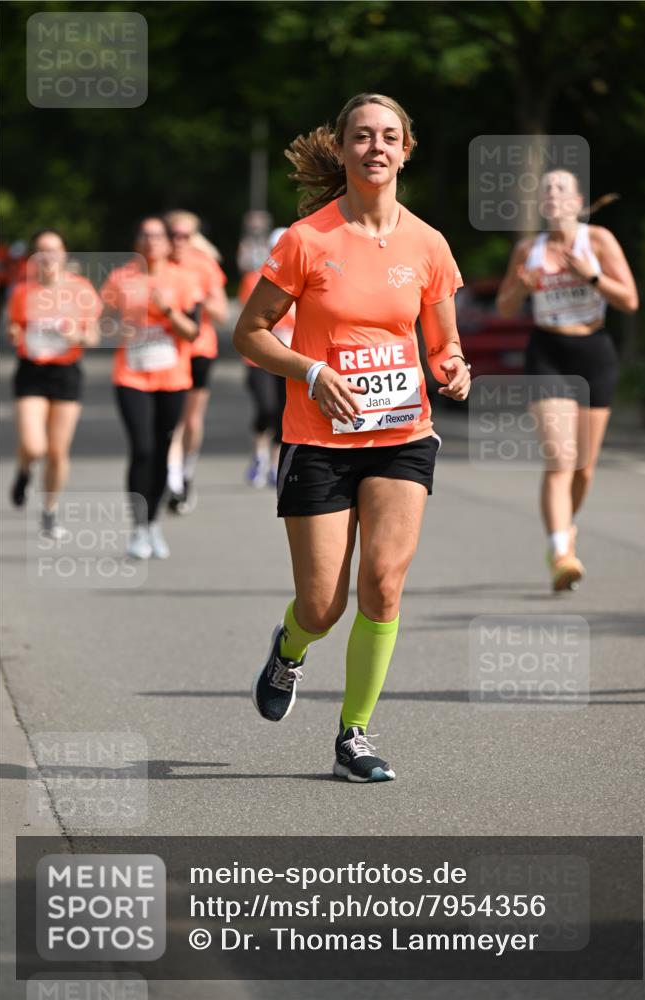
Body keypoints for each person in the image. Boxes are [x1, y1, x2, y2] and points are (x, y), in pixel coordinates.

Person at [234, 93, 469, 782]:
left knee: (384, 587)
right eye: (361, 136)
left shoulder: (427, 244)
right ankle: (290, 649)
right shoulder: (306, 239)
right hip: (319, 441)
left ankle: (354, 735)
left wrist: (452, 369)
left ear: (406, 149)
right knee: (321, 603)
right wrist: (309, 371)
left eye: (388, 136)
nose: (375, 147)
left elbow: (445, 343)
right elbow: (247, 334)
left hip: (402, 434)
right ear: (340, 149)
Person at [496, 170, 638, 590]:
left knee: (584, 469)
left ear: (577, 201)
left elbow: (629, 300)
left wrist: (591, 275)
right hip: (548, 353)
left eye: (562, 189)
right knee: (560, 458)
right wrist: (520, 289)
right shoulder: (529, 248)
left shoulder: (597, 242)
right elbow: (505, 307)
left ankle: (566, 530)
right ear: (542, 205)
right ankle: (561, 552)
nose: (554, 196)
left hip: (594, 353)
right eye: (547, 191)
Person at [100, 217, 200, 559]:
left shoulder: (183, 279)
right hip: (131, 375)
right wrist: (119, 327)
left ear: (167, 243)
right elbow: (103, 322)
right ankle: (138, 528)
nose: (151, 241)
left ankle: (153, 522)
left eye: (158, 236)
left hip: (173, 377)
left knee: (161, 448)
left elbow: (193, 332)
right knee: (141, 449)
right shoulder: (120, 278)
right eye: (145, 235)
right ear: (136, 241)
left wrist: (168, 308)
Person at [8, 229, 101, 537]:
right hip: (31, 370)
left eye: (54, 250)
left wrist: (77, 335)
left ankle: (49, 510)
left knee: (58, 451)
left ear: (64, 255)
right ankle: (24, 470)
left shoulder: (81, 289)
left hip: (65, 372)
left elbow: (94, 335)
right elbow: (15, 327)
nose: (48, 257)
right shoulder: (23, 291)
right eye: (41, 251)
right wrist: (15, 334)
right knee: (35, 446)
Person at [163, 210, 229, 514]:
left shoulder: (204, 266)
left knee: (190, 420)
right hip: (165, 352)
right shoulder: (155, 266)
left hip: (199, 349)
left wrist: (197, 297)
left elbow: (222, 313)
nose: (178, 241)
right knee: (171, 422)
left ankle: (186, 472)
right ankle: (172, 480)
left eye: (185, 236)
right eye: (172, 235)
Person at [238, 227, 294, 487]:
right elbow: (247, 318)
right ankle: (259, 455)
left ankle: (274, 464)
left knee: (284, 412)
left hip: (293, 359)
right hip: (259, 359)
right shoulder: (255, 279)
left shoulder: (306, 278)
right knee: (266, 408)